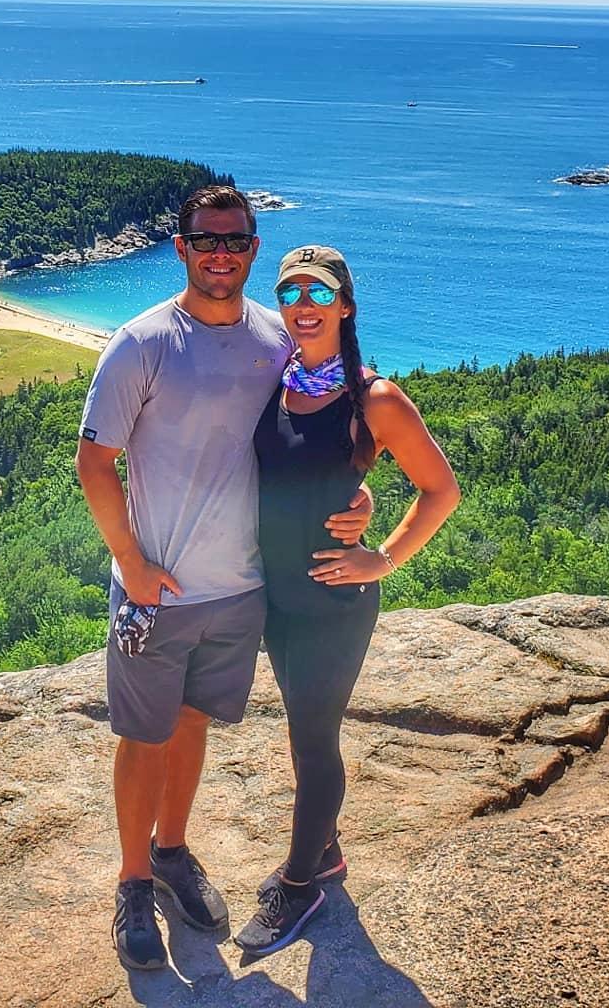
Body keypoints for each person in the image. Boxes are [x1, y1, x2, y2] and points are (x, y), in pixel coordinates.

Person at [75, 187, 374, 973]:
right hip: (158, 591)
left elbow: (337, 413)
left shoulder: (277, 338)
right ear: (180, 247)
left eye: (235, 241)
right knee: (143, 737)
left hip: (241, 590)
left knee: (192, 725)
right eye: (205, 239)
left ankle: (171, 854)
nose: (220, 253)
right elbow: (94, 462)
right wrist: (131, 564)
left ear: (252, 249)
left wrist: (358, 491)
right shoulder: (141, 343)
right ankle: (133, 884)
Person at [231, 244, 460, 956]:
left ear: (346, 306)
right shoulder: (274, 381)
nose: (304, 305)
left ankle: (300, 885)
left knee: (314, 737)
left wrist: (381, 556)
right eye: (291, 292)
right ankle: (325, 850)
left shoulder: (374, 399)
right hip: (278, 597)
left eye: (320, 293)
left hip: (334, 601)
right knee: (303, 728)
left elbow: (440, 490)